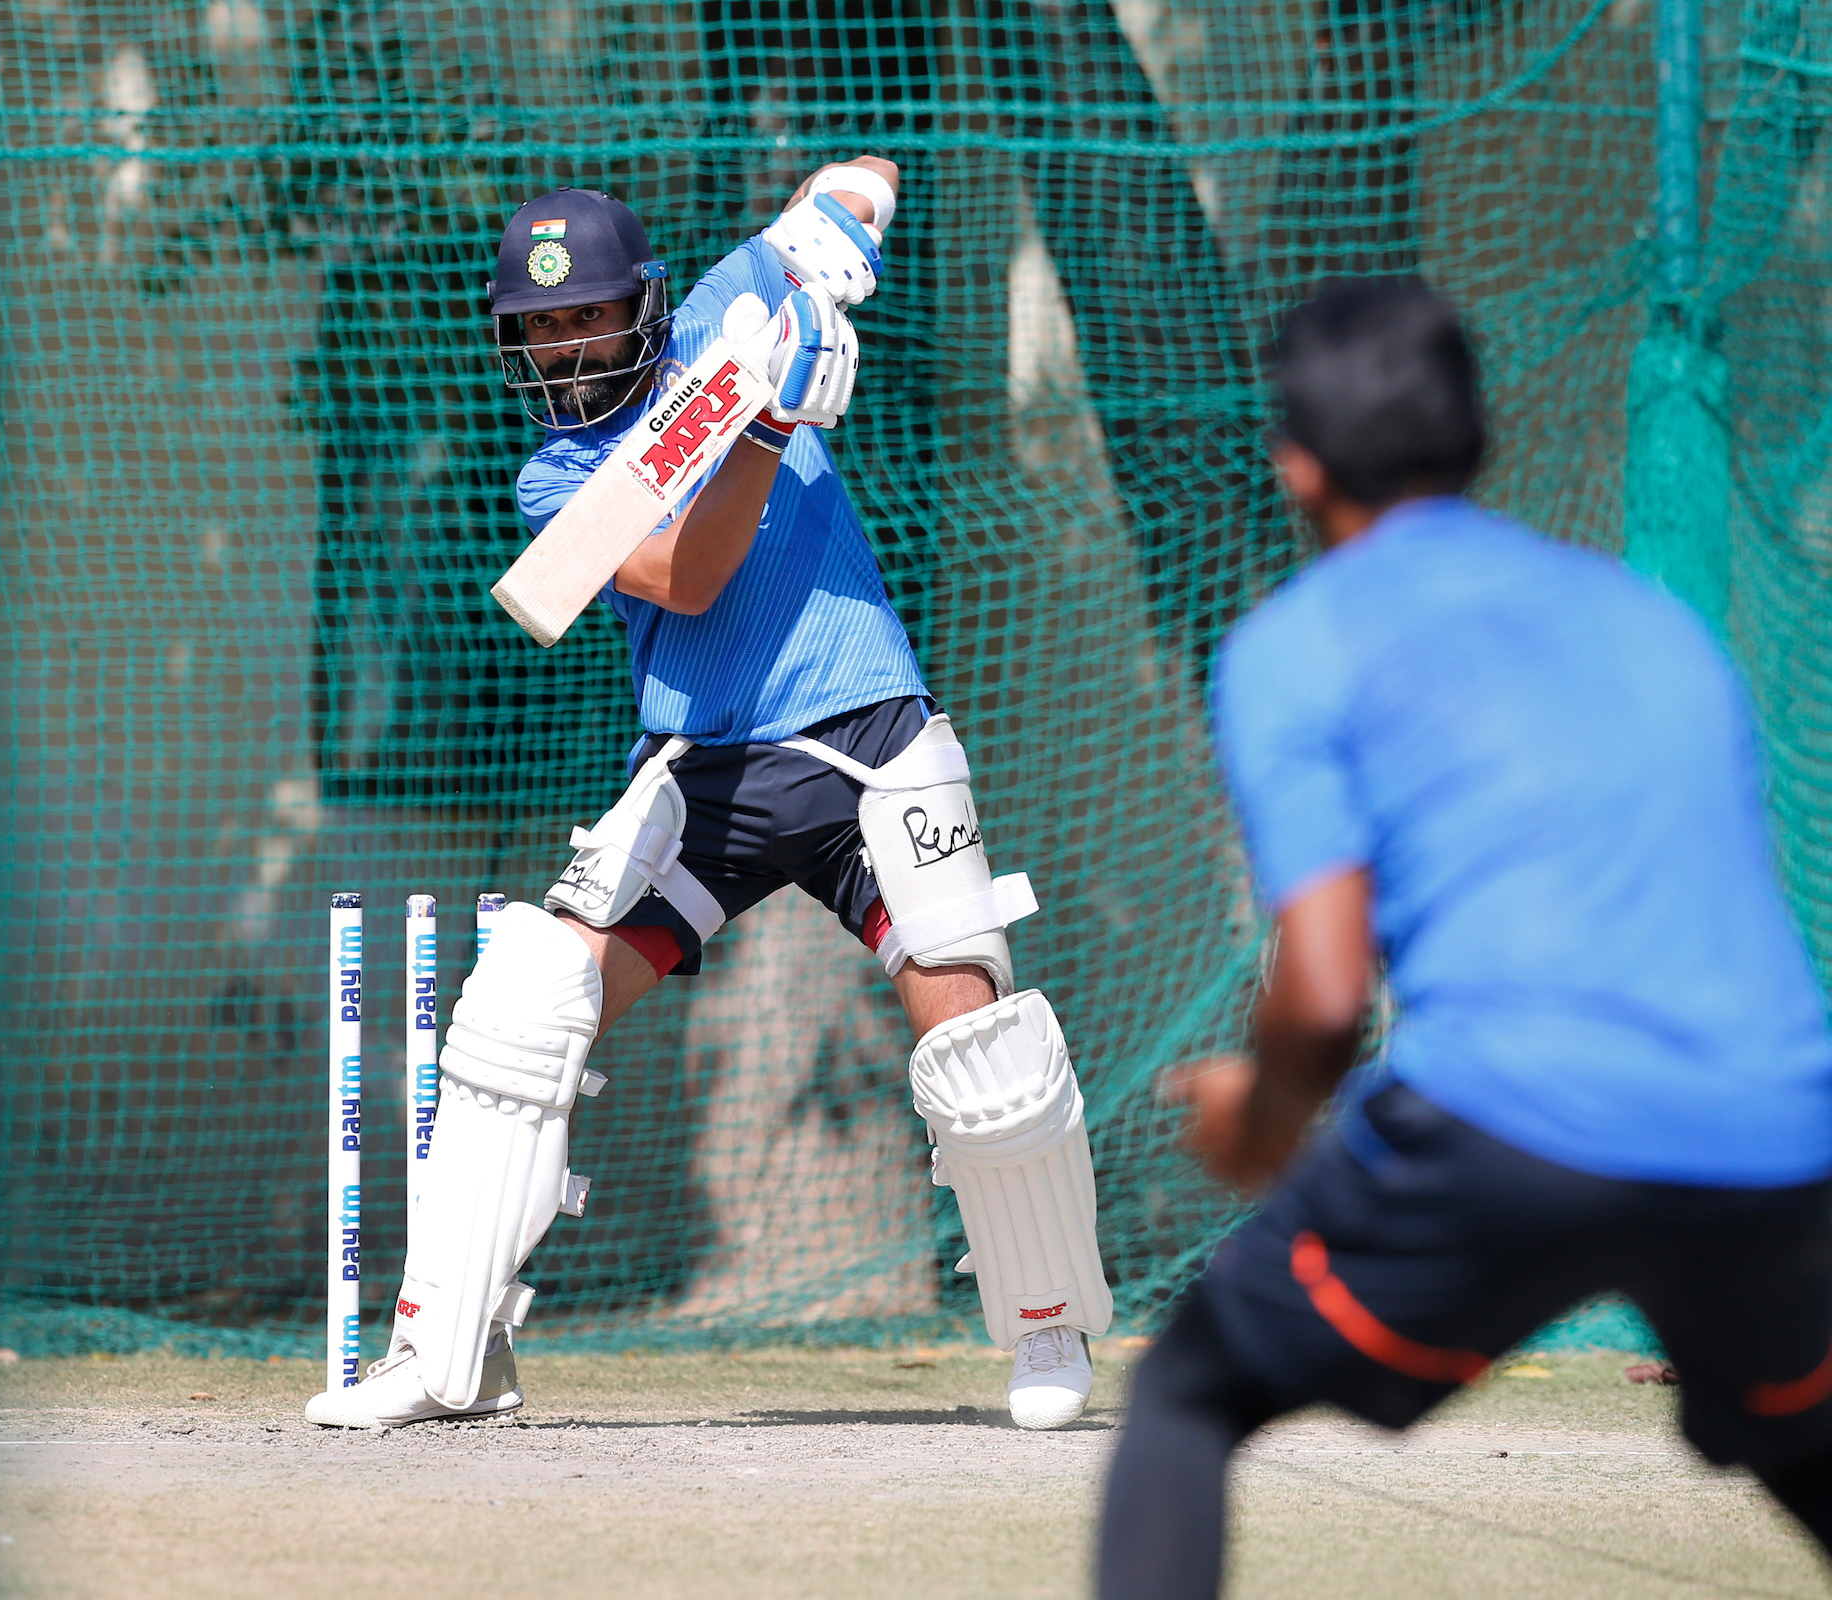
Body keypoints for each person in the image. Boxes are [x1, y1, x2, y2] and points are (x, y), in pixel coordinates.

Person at [306, 166, 1116, 1430]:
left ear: (645, 303)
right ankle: (446, 1355)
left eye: (584, 316)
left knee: (977, 1034)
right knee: (525, 1002)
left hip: (867, 731)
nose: (563, 343)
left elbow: (865, 182)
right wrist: (768, 426)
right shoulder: (555, 477)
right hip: (710, 769)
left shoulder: (740, 302)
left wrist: (832, 246)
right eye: (539, 323)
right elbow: (687, 577)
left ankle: (1046, 1327)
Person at [1094, 275, 1832, 1597]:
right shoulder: (1650, 623)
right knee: (1806, 1446)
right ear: (1476, 434)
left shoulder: (1292, 644)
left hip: (1510, 1127)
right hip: (1774, 1130)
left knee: (1191, 1391)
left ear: (1298, 465)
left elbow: (1324, 992)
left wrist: (1262, 1122)